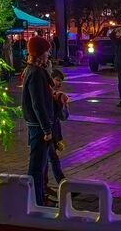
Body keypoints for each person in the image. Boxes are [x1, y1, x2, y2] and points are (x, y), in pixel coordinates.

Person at [21, 35, 55, 206]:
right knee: (37, 166)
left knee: (41, 165)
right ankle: (36, 201)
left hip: (38, 124)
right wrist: (47, 129)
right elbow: (37, 103)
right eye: (46, 51)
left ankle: (39, 197)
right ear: (40, 53)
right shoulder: (35, 73)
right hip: (39, 126)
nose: (49, 54)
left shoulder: (36, 70)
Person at [43, 69, 71, 199]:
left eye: (61, 81)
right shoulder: (46, 93)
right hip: (46, 132)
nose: (59, 83)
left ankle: (45, 186)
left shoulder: (57, 95)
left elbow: (64, 116)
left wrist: (63, 104)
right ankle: (62, 185)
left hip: (53, 132)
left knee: (48, 160)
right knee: (52, 159)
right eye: (57, 80)